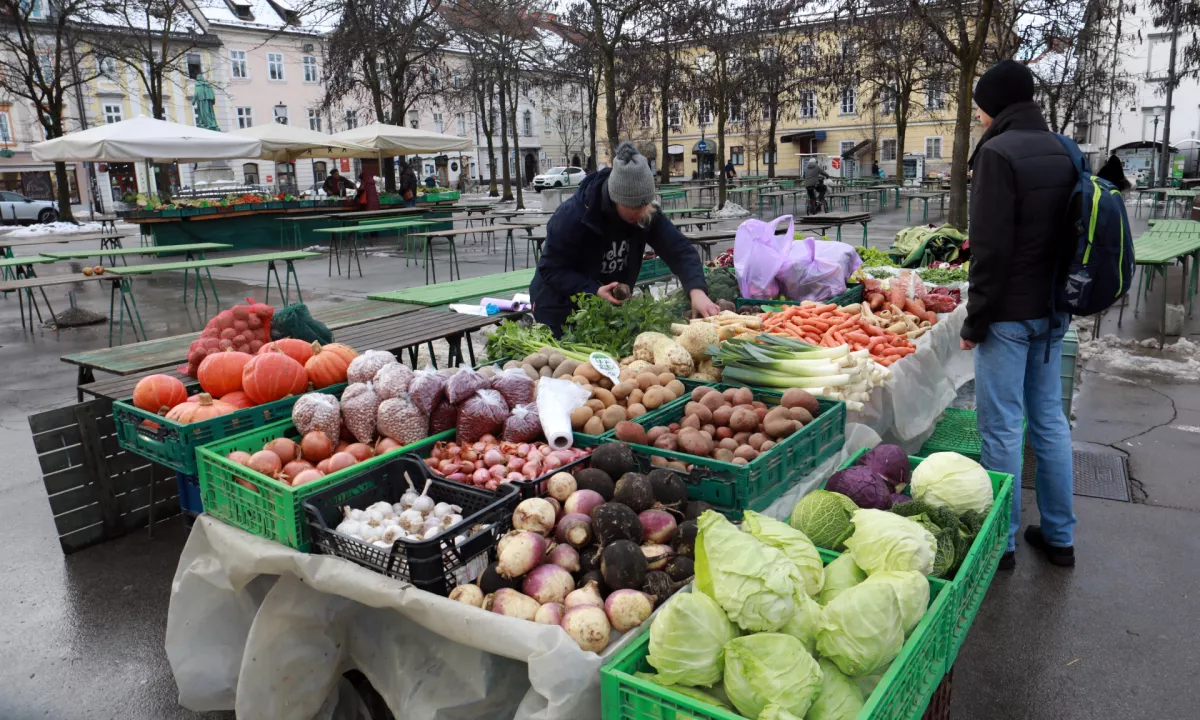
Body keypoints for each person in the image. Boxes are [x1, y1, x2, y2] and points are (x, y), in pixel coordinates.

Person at [963, 59, 1077, 570]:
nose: (981, 118)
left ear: (995, 105)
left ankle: (1001, 545)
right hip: (1053, 313)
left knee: (1003, 429)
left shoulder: (997, 153)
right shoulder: (1066, 149)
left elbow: (991, 250)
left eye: (981, 108)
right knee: (1049, 422)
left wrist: (974, 320)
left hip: (1008, 315)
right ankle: (1059, 537)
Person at [530, 141, 719, 335]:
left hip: (604, 307)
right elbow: (551, 269)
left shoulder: (646, 213)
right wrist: (593, 289)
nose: (641, 213)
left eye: (645, 204)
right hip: (558, 307)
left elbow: (679, 251)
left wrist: (696, 291)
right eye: (635, 207)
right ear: (615, 199)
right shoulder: (572, 216)